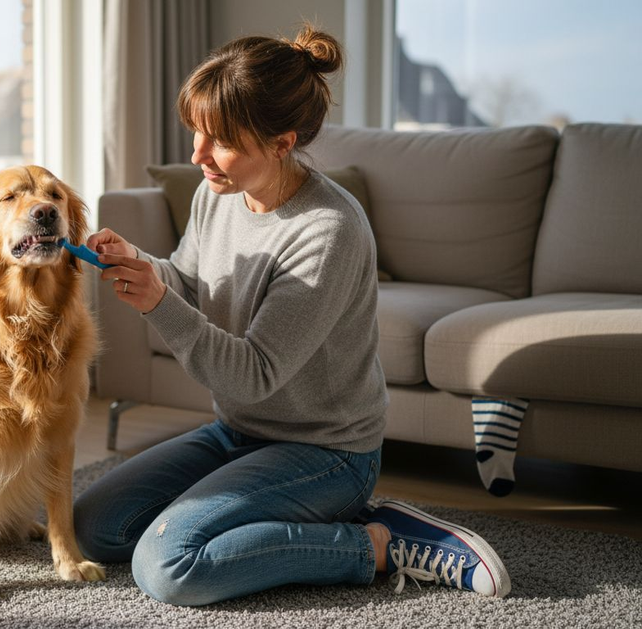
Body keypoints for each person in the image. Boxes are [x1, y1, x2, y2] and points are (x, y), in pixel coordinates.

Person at [74, 25, 511, 607]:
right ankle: (281, 517)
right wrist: (140, 264)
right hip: (238, 433)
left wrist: (158, 303)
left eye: (221, 140)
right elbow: (189, 282)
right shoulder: (216, 193)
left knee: (168, 565)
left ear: (282, 142)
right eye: (197, 132)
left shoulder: (327, 229)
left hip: (326, 453)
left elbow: (252, 374)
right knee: (96, 527)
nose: (198, 155)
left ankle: (378, 543)